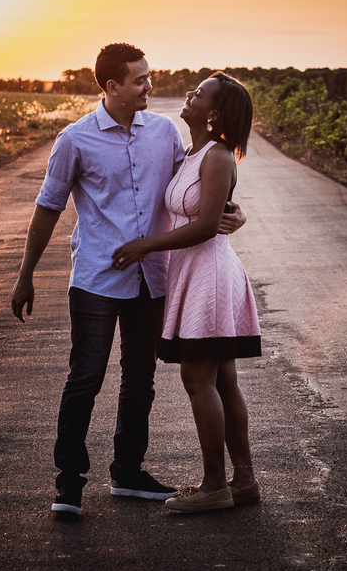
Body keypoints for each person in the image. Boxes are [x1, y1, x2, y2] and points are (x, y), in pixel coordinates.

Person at [10, 44, 245, 520]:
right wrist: (25, 274)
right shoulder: (74, 140)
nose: (150, 87)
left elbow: (193, 186)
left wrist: (229, 211)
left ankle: (129, 472)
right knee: (85, 378)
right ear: (112, 87)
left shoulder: (164, 132)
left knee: (140, 381)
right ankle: (69, 482)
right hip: (97, 276)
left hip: (152, 278)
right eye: (140, 80)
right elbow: (48, 208)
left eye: (149, 77)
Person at [111, 72, 261, 513]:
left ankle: (215, 484)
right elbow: (212, 211)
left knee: (198, 379)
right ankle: (244, 479)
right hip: (195, 272)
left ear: (213, 113)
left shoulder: (217, 156)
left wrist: (145, 245)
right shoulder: (191, 153)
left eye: (198, 94)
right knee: (222, 379)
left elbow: (202, 225)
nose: (189, 96)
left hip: (209, 273)